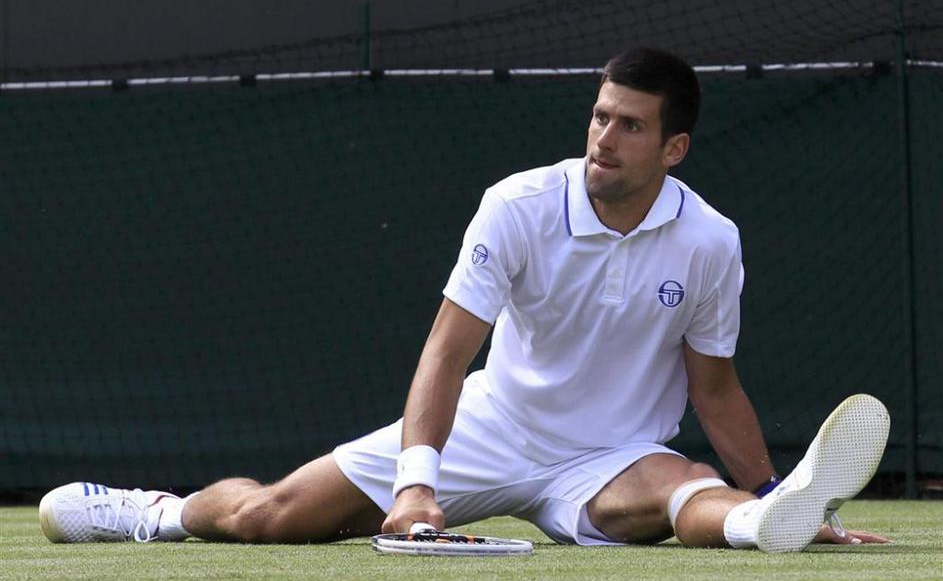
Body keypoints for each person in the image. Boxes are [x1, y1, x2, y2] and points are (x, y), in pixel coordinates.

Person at [39, 47, 890, 552]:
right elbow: (447, 350)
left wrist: (774, 487)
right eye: (599, 116)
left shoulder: (710, 240)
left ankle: (771, 519)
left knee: (689, 486)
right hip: (492, 425)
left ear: (674, 147)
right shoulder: (517, 204)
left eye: (630, 126)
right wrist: (418, 482)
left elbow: (713, 387)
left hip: (612, 456)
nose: (603, 137)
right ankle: (161, 512)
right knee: (272, 516)